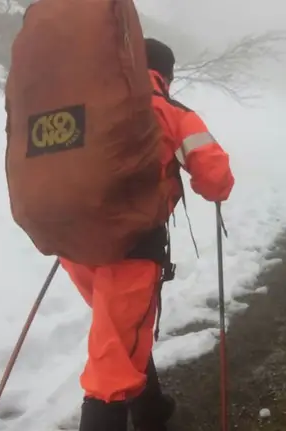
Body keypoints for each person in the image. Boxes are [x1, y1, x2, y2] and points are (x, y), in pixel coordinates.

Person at [60, 38, 235, 431]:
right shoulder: (170, 109)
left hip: (73, 243)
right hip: (130, 247)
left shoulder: (87, 100)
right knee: (115, 355)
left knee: (121, 332)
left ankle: (151, 409)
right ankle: (132, 414)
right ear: (165, 75)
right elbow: (215, 179)